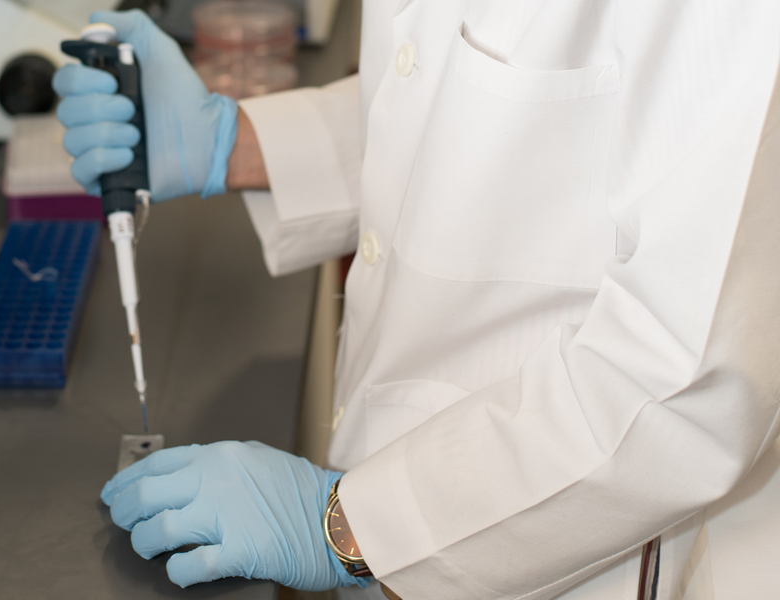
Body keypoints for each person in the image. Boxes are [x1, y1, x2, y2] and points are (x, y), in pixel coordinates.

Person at [52, 2, 780, 598]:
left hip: (576, 547)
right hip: (397, 503)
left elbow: (685, 383)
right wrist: (235, 142)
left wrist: (351, 526)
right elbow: (460, 91)